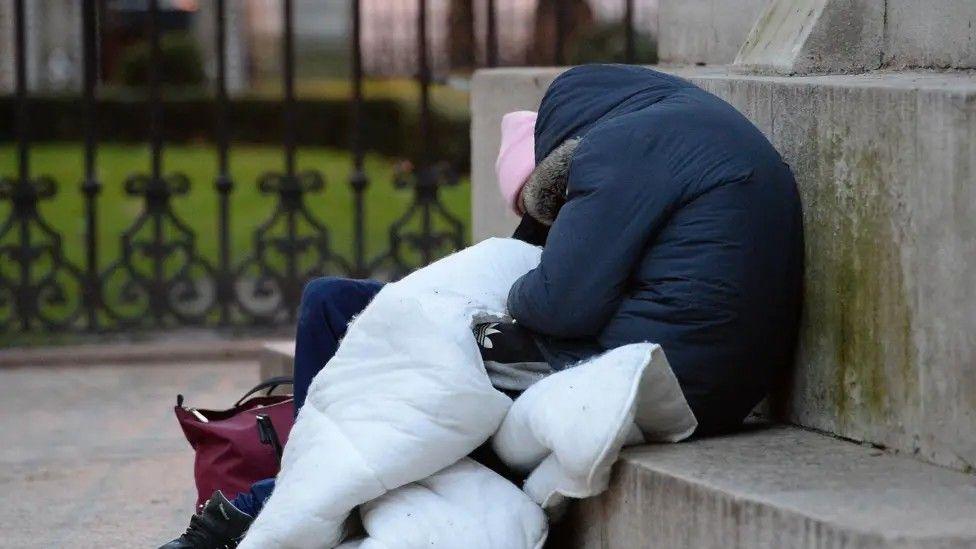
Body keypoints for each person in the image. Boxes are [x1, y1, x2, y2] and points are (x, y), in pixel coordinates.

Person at [162, 63, 804, 548]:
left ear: (557, 166)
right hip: (709, 371)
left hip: (670, 369)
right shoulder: (674, 132)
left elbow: (560, 305)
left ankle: (262, 507)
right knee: (365, 331)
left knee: (413, 383)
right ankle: (283, 492)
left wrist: (512, 293)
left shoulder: (623, 148)